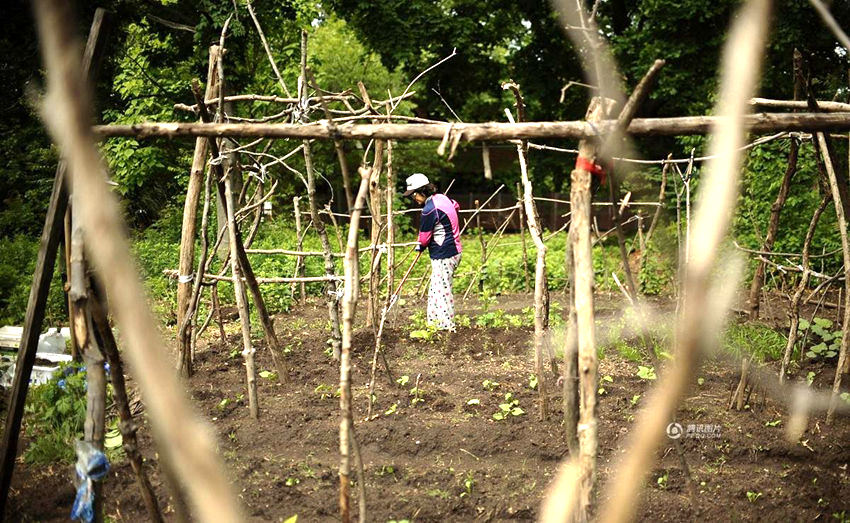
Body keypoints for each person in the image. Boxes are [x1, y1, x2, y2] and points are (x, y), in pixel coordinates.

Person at [403, 173, 463, 332]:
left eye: (414, 194)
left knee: (441, 290)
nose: (414, 198)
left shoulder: (429, 210)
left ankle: (446, 327)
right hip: (454, 251)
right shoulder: (443, 198)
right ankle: (436, 325)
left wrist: (419, 247)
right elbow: (456, 205)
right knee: (437, 288)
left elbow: (423, 239)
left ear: (421, 191)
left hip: (444, 253)